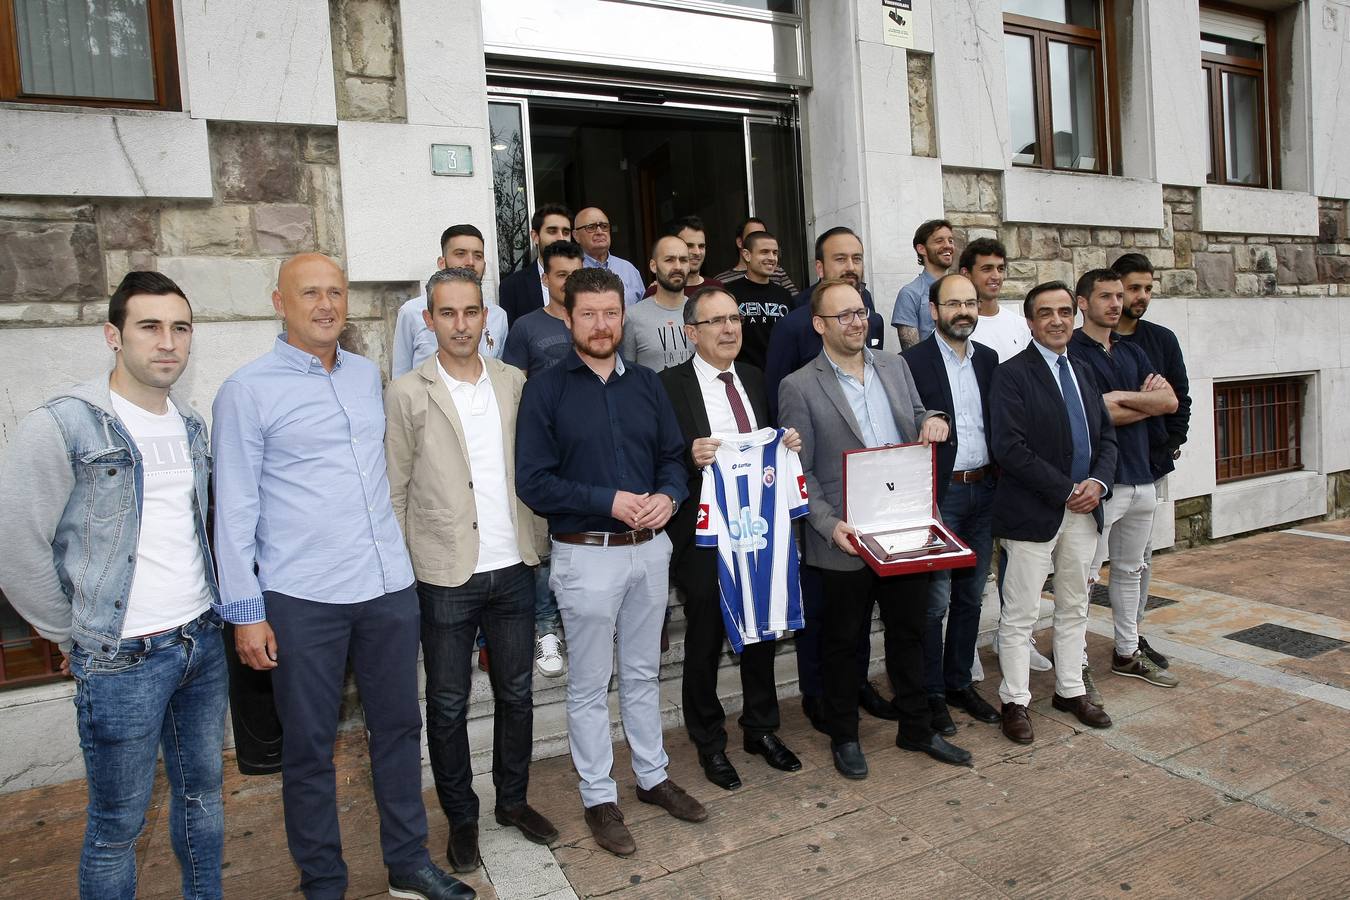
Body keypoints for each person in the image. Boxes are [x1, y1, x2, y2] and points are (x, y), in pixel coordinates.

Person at [213, 253, 473, 900]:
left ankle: (407, 863)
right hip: (303, 598)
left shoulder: (365, 376)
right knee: (308, 749)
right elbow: (235, 508)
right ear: (280, 301)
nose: (326, 304)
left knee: (398, 730)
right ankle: (323, 882)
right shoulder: (246, 392)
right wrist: (245, 611)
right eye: (310, 293)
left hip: (386, 587)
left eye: (335, 292)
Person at [0, 272, 227, 900]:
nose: (168, 342)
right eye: (149, 327)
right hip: (121, 659)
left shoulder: (189, 427)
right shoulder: (66, 426)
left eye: (180, 328)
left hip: (200, 641)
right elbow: (13, 544)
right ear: (113, 335)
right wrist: (73, 634)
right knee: (115, 827)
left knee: (203, 799)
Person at [516, 267, 707, 858]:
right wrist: (610, 501)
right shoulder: (545, 390)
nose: (602, 325)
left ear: (625, 316)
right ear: (568, 317)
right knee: (590, 684)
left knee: (646, 673)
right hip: (585, 557)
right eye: (589, 314)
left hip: (649, 554)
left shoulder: (646, 385)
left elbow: (674, 459)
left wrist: (668, 496)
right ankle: (599, 796)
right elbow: (534, 481)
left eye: (611, 313)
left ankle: (652, 778)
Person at [384, 267, 559, 875]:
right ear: (428, 320)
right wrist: (409, 569)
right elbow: (397, 488)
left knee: (517, 693)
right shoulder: (407, 392)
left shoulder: (515, 382)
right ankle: (462, 815)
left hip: (514, 567)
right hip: (444, 573)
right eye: (447, 313)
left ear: (487, 318)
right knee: (450, 702)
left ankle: (512, 801)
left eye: (471, 312)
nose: (460, 324)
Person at [778, 278, 972, 779]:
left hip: (903, 529)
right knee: (843, 644)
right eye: (843, 315)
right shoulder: (798, 385)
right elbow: (802, 473)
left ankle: (915, 726)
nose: (857, 322)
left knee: (910, 633)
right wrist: (827, 524)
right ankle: (844, 736)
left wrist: (934, 420)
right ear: (819, 324)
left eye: (861, 312)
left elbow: (916, 415)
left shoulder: (894, 364)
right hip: (843, 537)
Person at [658, 285, 805, 791]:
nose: (729, 329)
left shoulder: (756, 378)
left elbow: (769, 446)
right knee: (704, 633)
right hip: (700, 533)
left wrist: (787, 443)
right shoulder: (667, 386)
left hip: (756, 527)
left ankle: (761, 729)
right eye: (716, 321)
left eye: (735, 319)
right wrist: (686, 456)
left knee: (761, 626)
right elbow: (654, 458)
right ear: (690, 332)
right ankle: (709, 740)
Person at [760, 226, 888, 730]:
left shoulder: (868, 320)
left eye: (857, 256)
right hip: (818, 494)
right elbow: (782, 398)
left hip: (873, 499)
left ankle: (856, 686)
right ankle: (818, 693)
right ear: (819, 267)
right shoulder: (796, 327)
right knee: (824, 606)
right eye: (840, 258)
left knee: (858, 613)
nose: (850, 265)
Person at [990, 281, 1117, 746]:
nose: (1058, 320)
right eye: (1046, 313)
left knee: (1074, 606)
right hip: (1033, 513)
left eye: (1065, 311)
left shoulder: (1083, 370)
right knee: (1020, 614)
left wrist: (1098, 484)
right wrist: (1066, 490)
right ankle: (1016, 700)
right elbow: (1009, 448)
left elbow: (1107, 439)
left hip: (1085, 513)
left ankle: (1070, 690)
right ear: (1030, 322)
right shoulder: (1011, 375)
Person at [1068, 269, 1179, 692]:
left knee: (1133, 570)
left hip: (1141, 476)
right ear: (1083, 302)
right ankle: (1074, 662)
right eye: (1105, 297)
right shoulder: (1072, 352)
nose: (1116, 304)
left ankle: (1127, 651)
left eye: (1119, 296)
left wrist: (1121, 401)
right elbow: (1094, 414)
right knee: (1085, 576)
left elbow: (1168, 400)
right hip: (1100, 482)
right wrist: (1141, 403)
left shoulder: (1132, 351)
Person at [901, 274, 1002, 734]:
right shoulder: (910, 363)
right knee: (934, 602)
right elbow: (902, 426)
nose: (963, 311)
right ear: (933, 309)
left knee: (970, 597)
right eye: (953, 303)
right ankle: (932, 694)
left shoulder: (990, 360)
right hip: (939, 497)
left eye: (970, 303)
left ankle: (960, 682)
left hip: (984, 492)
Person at [501, 240, 586, 677]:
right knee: (542, 545)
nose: (569, 282)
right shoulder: (526, 328)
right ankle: (547, 631)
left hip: (584, 450)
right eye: (561, 275)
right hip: (543, 448)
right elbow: (512, 389)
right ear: (545, 279)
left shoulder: (593, 322)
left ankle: (584, 625)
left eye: (577, 273)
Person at [1112, 252, 1191, 670]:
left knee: (1138, 561)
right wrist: (1151, 404)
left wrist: (1170, 443)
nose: (1141, 296)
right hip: (1102, 471)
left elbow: (1179, 399)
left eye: (1148, 288)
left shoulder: (1162, 340)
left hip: (1150, 466)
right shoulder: (1088, 343)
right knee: (1087, 563)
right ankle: (1078, 651)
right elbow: (1095, 409)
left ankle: (1132, 636)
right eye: (1133, 288)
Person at [392, 224, 509, 376]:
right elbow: (400, 376)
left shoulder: (498, 315)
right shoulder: (411, 312)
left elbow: (498, 374)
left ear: (485, 266)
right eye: (460, 254)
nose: (470, 262)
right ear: (442, 263)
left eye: (478, 256)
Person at [622, 234, 695, 370]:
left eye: (684, 260)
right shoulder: (632, 316)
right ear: (653, 266)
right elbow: (627, 373)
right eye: (669, 260)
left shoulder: (700, 311)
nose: (678, 267)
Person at [724, 230, 793, 370]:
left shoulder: (784, 295)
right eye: (764, 252)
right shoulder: (728, 293)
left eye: (775, 252)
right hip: (742, 375)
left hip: (780, 374)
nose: (772, 258)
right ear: (747, 255)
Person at [500, 203, 573, 326]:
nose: (560, 238)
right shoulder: (512, 286)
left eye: (566, 232)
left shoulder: (587, 281)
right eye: (552, 231)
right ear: (535, 237)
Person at [963, 238, 1031, 363]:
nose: (996, 276)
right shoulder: (957, 327)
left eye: (1000, 269)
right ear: (966, 274)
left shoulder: (1021, 326)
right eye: (987, 269)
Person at [892, 219, 955, 349]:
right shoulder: (910, 294)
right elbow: (911, 353)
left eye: (950, 240)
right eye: (939, 241)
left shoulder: (962, 290)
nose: (948, 245)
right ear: (921, 249)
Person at [573, 206, 646, 306]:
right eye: (591, 227)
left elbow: (643, 312)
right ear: (576, 236)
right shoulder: (571, 270)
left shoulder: (628, 269)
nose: (599, 232)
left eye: (604, 226)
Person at [713, 216, 799, 294]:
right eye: (753, 235)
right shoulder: (721, 281)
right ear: (739, 242)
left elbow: (796, 303)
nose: (760, 239)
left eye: (763, 235)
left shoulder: (778, 272)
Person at [643, 216, 723, 297]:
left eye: (701, 246)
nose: (697, 252)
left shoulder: (716, 287)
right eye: (689, 245)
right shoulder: (655, 292)